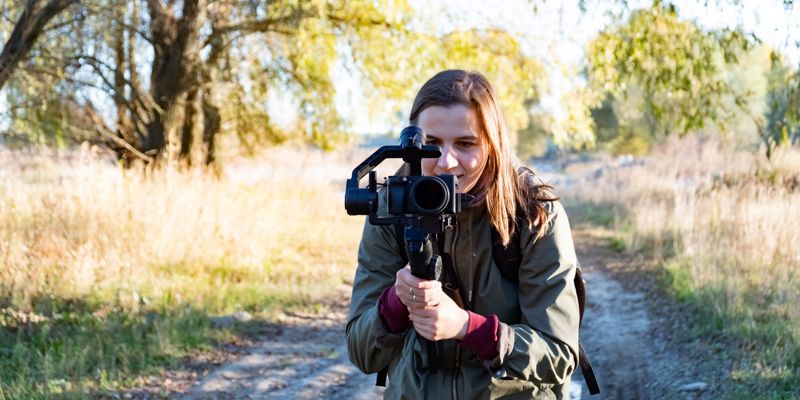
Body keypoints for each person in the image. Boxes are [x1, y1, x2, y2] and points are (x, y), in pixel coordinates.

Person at [346, 69, 580, 399]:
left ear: (492, 145)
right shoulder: (390, 209)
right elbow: (362, 353)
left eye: (465, 143)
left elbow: (559, 354)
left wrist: (469, 328)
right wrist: (396, 302)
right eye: (431, 144)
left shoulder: (534, 212)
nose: (446, 161)